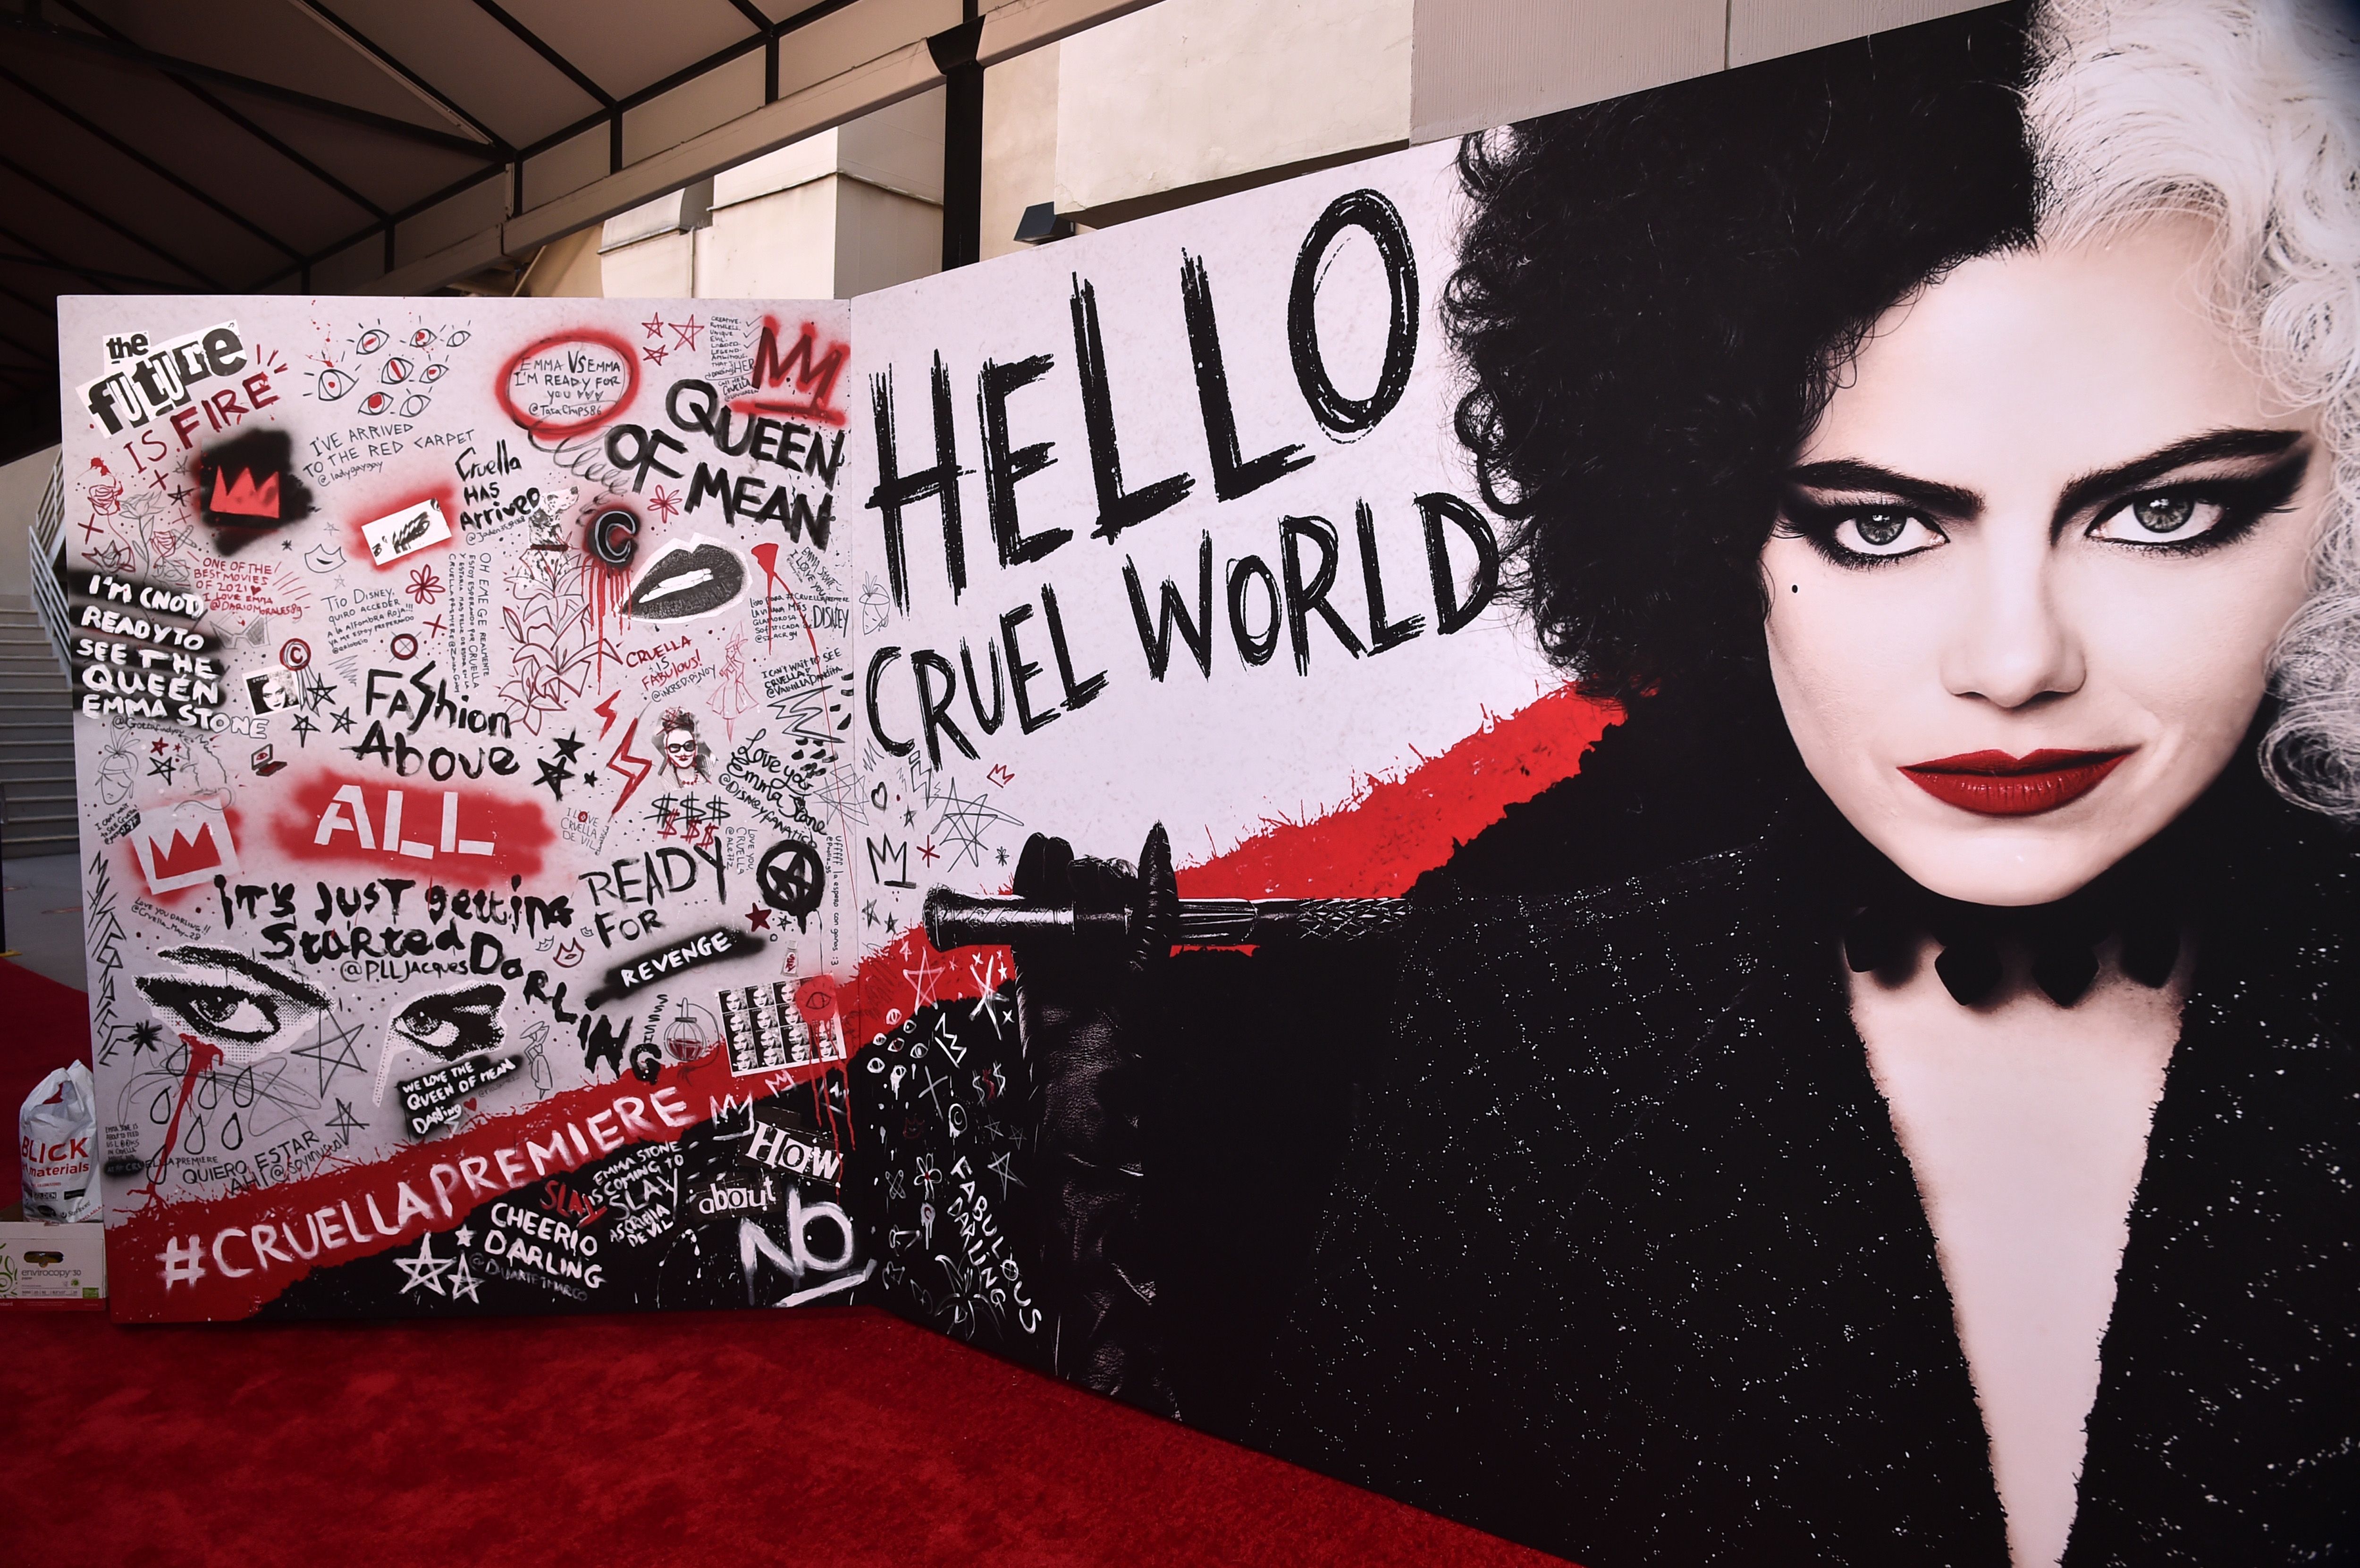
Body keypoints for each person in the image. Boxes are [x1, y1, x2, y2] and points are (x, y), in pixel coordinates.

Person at [1234, 3, 2359, 1563]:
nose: (2016, 661)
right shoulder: (1520, 1036)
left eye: (2166, 512)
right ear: (1710, 527)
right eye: (1880, 525)